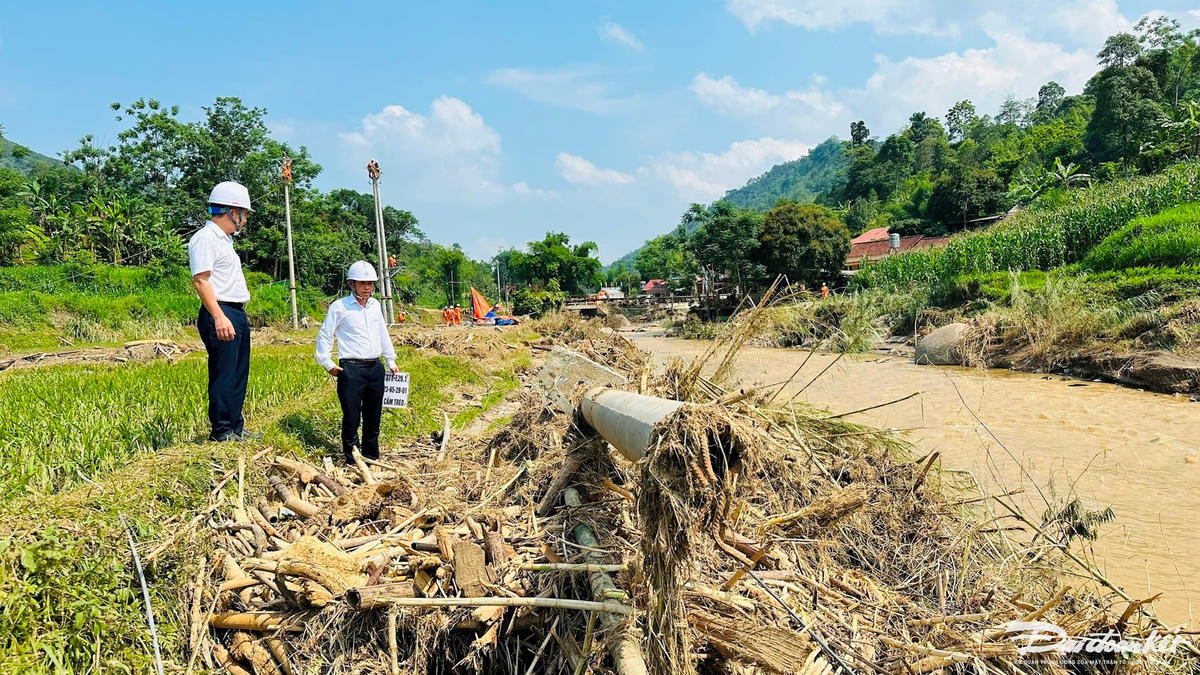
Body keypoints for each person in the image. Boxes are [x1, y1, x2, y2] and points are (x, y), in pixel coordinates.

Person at [189, 181, 257, 442]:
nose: (246, 220)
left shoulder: (224, 240)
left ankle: (235, 427)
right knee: (224, 373)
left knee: (239, 372)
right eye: (245, 214)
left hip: (235, 311)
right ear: (232, 211)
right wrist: (219, 316)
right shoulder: (205, 238)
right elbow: (201, 281)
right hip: (221, 310)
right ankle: (221, 431)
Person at [315, 261, 399, 463]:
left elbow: (382, 333)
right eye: (363, 283)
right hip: (351, 368)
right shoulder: (340, 307)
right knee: (351, 416)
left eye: (371, 283)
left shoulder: (375, 305)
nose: (367, 287)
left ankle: (371, 456)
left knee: (373, 416)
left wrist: (391, 360)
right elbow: (325, 335)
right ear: (352, 284)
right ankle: (353, 459)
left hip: (375, 367)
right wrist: (327, 362)